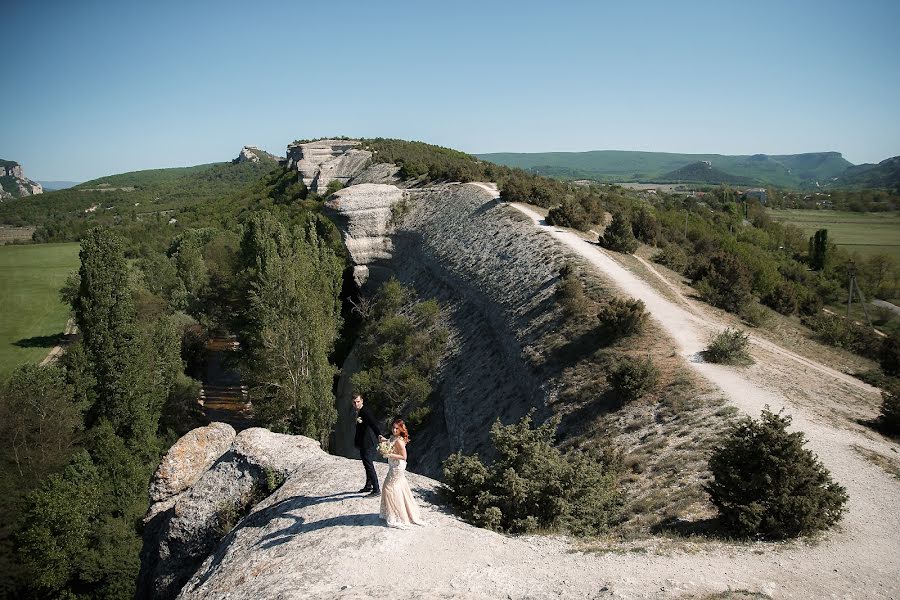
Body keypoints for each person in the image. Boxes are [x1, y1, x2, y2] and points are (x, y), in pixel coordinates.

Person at [379, 418, 425, 529]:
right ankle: (404, 514)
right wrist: (383, 440)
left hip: (397, 466)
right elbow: (390, 443)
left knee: (388, 488)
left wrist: (389, 454)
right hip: (393, 465)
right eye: (393, 427)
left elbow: (404, 457)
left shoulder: (399, 441)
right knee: (400, 488)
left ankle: (394, 516)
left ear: (400, 429)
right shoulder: (393, 437)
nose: (394, 430)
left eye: (397, 428)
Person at [352, 393, 381, 497]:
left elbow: (373, 424)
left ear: (362, 401)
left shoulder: (365, 412)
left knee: (369, 465)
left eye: (358, 402)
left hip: (367, 443)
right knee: (366, 464)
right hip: (363, 442)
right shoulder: (359, 411)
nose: (356, 404)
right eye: (354, 402)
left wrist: (379, 435)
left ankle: (376, 489)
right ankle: (368, 486)